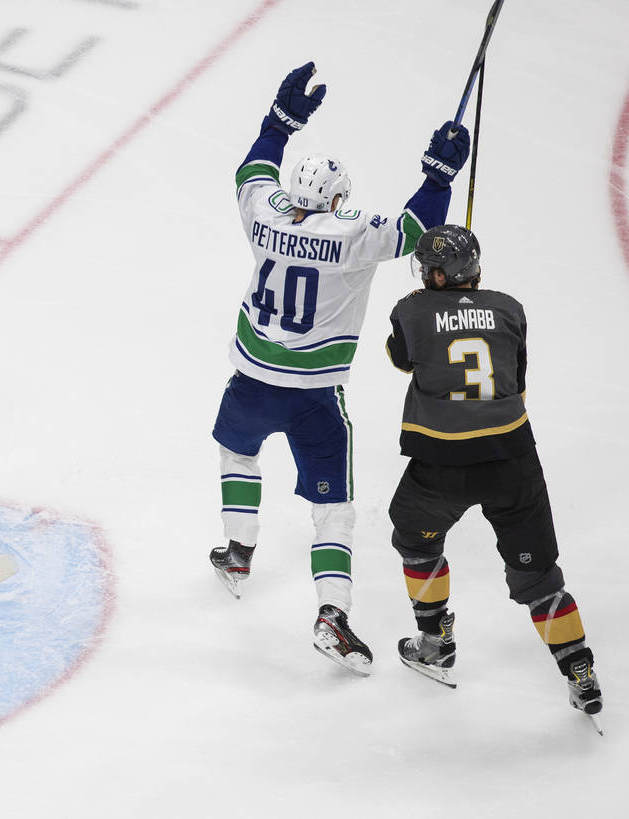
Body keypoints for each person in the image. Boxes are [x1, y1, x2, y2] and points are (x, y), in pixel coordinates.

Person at [209, 61, 471, 675]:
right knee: (334, 511)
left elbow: (252, 172)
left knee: (238, 454)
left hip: (251, 379)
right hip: (313, 397)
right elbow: (416, 230)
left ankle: (239, 550)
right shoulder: (351, 231)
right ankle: (332, 614)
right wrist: (439, 174)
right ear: (334, 198)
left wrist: (281, 122)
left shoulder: (267, 214)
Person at [386, 224, 603, 728]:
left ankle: (435, 643)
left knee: (416, 543)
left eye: (427, 268)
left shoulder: (411, 309)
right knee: (539, 576)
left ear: (440, 274)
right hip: (512, 458)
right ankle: (580, 668)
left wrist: (429, 305)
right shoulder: (509, 308)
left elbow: (401, 359)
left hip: (441, 463)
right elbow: (516, 372)